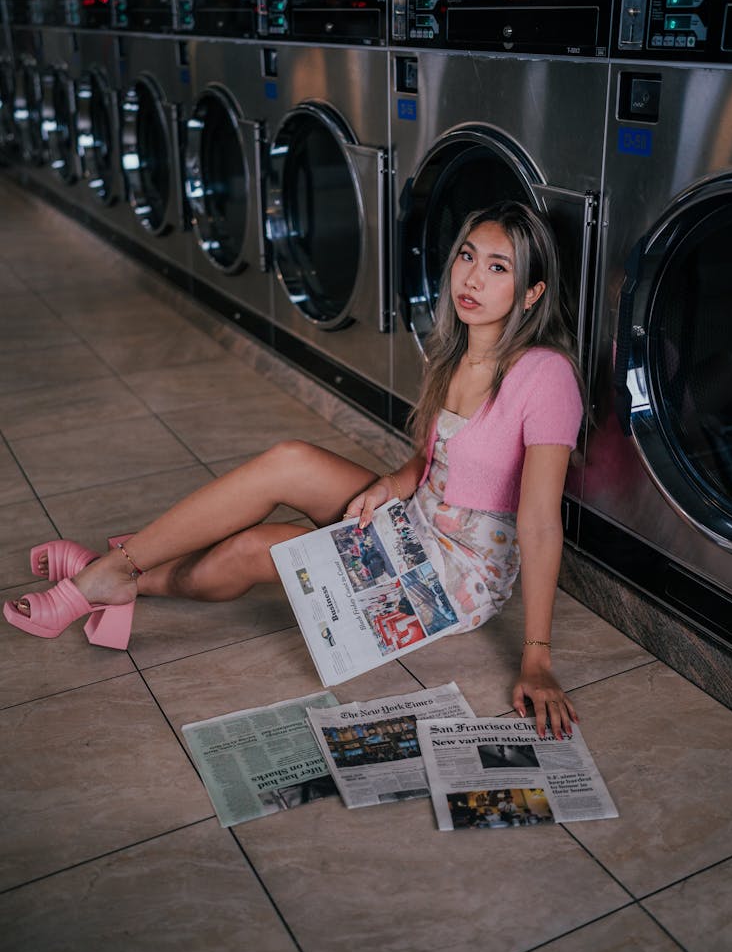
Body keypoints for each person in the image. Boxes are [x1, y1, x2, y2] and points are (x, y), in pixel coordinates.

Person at [4, 201, 583, 739]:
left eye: (498, 267)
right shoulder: (455, 352)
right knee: (291, 460)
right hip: (416, 516)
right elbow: (436, 462)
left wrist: (537, 657)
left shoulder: (544, 375)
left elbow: (536, 523)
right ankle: (116, 569)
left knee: (268, 547)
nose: (472, 279)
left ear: (532, 293)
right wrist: (387, 484)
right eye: (466, 256)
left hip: (456, 572)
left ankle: (126, 580)